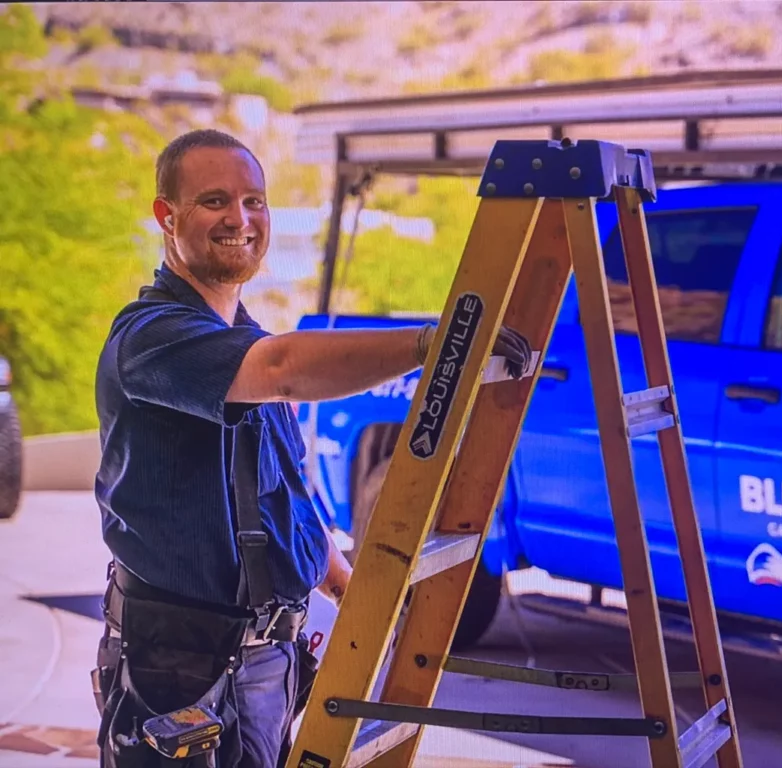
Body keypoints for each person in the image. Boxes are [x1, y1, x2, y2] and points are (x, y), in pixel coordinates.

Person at [90, 128, 532, 768]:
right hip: (177, 666)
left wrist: (342, 583)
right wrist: (432, 344)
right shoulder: (152, 338)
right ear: (168, 216)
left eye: (254, 201)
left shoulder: (241, 338)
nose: (240, 219)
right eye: (214, 201)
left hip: (262, 662)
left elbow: (281, 491)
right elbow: (283, 368)